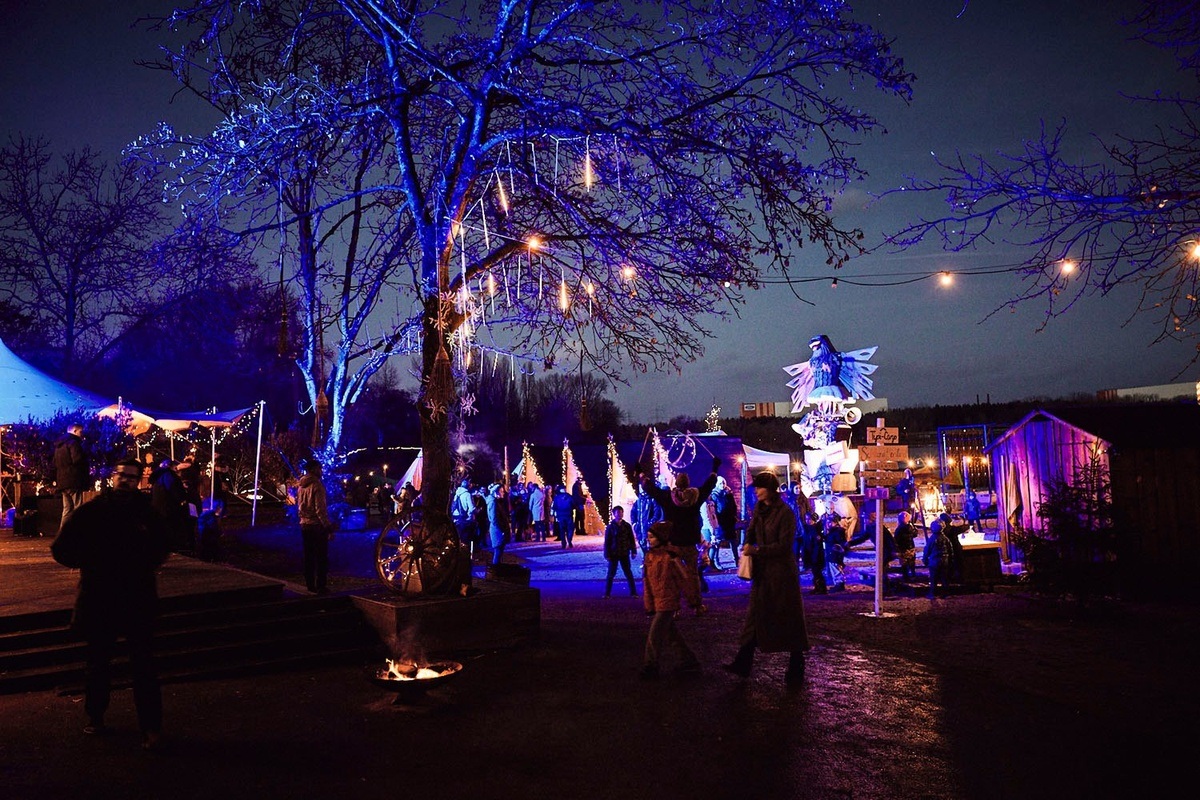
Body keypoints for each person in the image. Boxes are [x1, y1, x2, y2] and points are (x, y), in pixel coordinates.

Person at [50, 458, 170, 750]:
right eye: (121, 476)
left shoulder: (147, 514)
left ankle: (150, 727)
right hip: (101, 596)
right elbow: (62, 548)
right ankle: (96, 716)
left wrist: (142, 564)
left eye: (131, 477)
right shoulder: (92, 512)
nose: (125, 481)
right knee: (98, 662)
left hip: (135, 597)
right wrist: (88, 563)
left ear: (139, 480)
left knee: (143, 665)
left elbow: (162, 546)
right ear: (112, 477)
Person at [723, 471, 809, 686]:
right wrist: (747, 541)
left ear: (770, 489)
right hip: (763, 574)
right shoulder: (759, 511)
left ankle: (796, 665)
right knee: (755, 617)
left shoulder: (785, 513)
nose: (757, 491)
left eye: (760, 487)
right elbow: (752, 533)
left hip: (782, 576)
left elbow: (784, 545)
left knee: (788, 618)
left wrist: (757, 549)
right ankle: (743, 662)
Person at [641, 457, 720, 594]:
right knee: (693, 574)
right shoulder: (696, 496)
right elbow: (709, 485)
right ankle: (696, 604)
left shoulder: (667, 497)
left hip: (673, 541)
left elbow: (651, 489)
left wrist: (642, 474)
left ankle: (675, 605)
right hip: (690, 541)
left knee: (673, 574)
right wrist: (714, 469)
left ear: (676, 483)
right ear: (688, 483)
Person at [640, 521, 703, 679]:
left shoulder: (672, 557)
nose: (649, 540)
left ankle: (650, 666)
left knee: (654, 635)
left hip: (668, 602)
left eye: (652, 537)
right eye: (648, 537)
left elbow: (685, 579)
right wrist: (649, 605)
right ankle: (688, 661)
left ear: (661, 538)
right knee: (671, 634)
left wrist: (694, 602)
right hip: (658, 601)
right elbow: (647, 583)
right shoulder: (650, 556)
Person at [296, 460, 333, 594]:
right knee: (321, 556)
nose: (321, 471)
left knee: (308, 555)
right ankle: (321, 585)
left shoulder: (301, 485)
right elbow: (320, 509)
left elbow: (299, 505)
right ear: (314, 469)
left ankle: (310, 583)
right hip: (316, 525)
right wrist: (327, 526)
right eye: (319, 468)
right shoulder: (317, 485)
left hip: (304, 524)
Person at [150, 460, 191, 553]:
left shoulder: (158, 476)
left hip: (159, 506)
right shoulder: (168, 475)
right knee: (171, 526)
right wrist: (182, 499)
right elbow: (173, 488)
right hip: (168, 506)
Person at [53, 423, 89, 529]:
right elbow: (77, 459)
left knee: (67, 509)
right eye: (80, 431)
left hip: (62, 481)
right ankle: (78, 532)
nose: (82, 434)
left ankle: (62, 533)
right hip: (74, 480)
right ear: (74, 431)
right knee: (78, 508)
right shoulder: (74, 443)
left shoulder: (58, 446)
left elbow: (55, 463)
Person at [602, 505, 638, 598]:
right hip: (614, 553)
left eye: (620, 512)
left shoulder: (627, 526)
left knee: (628, 573)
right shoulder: (610, 527)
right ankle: (607, 593)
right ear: (614, 514)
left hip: (624, 552)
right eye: (617, 512)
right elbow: (607, 541)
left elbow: (631, 539)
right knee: (611, 574)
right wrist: (606, 553)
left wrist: (633, 551)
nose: (619, 514)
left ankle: (633, 592)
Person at [630, 483, 663, 565]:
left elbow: (657, 513)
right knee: (642, 547)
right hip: (640, 530)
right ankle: (645, 565)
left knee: (650, 549)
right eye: (640, 487)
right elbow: (633, 513)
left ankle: (650, 565)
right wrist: (634, 524)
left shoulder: (652, 500)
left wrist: (650, 523)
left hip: (649, 530)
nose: (641, 489)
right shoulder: (638, 501)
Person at [924, 519, 954, 599]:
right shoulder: (945, 538)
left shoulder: (932, 539)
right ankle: (945, 593)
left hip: (934, 561)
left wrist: (925, 559)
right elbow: (950, 549)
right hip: (944, 560)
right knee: (944, 578)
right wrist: (950, 559)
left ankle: (932, 593)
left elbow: (927, 550)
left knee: (933, 578)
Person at [484, 483, 510, 565]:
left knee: (500, 551)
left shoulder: (496, 502)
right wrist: (501, 530)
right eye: (501, 491)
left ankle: (497, 570)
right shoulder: (493, 502)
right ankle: (495, 571)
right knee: (498, 551)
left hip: (498, 530)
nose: (503, 493)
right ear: (496, 492)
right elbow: (494, 519)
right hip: (497, 531)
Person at [893, 511, 919, 581]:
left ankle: (906, 576)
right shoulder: (910, 527)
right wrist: (915, 530)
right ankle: (913, 574)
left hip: (903, 548)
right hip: (910, 547)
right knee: (911, 562)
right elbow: (914, 534)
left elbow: (896, 539)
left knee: (904, 563)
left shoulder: (899, 529)